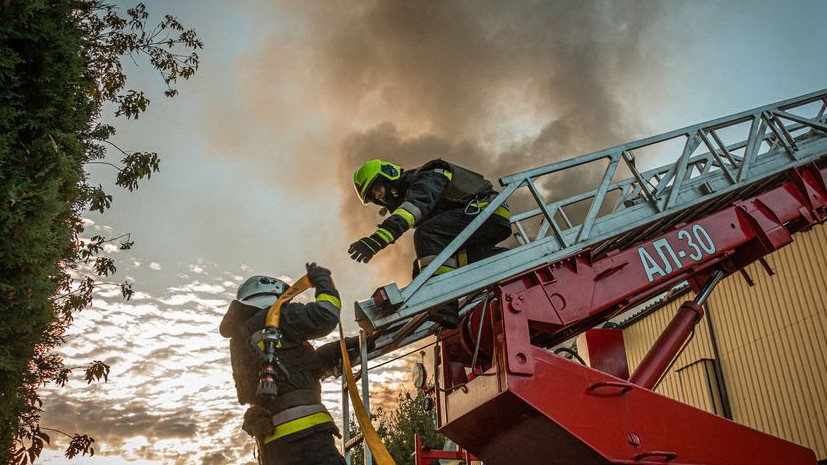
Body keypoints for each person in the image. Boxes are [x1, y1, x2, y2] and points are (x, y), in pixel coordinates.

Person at [219, 263, 357, 465]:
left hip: (273, 448)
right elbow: (326, 315)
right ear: (273, 296)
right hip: (310, 442)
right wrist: (322, 280)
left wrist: (331, 353)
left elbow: (261, 387)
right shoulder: (280, 315)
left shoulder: (240, 339)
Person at [348, 158, 512, 328]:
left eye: (376, 189)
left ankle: (444, 305)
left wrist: (376, 241)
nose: (378, 197)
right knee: (422, 266)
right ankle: (504, 259)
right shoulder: (412, 190)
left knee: (427, 234)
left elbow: (413, 209)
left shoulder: (427, 178)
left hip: (487, 211)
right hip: (476, 219)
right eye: (374, 197)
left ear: (388, 176)